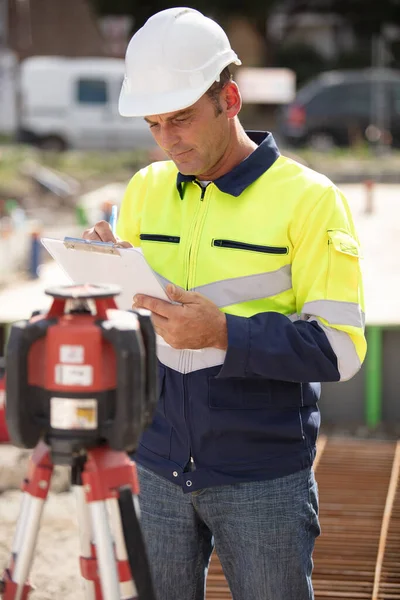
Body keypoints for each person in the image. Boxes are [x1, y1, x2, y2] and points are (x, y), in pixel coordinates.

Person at [83, 7, 366, 600]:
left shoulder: (310, 201)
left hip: (262, 478)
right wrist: (102, 274)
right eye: (154, 123)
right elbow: (136, 318)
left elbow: (340, 351)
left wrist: (225, 335)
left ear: (230, 100)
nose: (168, 140)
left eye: (181, 118)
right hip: (156, 464)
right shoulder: (144, 189)